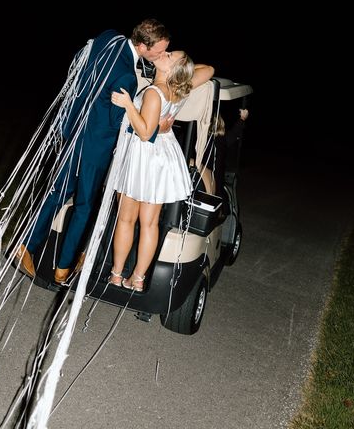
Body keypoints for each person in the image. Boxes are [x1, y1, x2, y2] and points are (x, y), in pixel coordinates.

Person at [14, 18, 171, 285]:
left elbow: (80, 58)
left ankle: (26, 245)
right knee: (85, 206)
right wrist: (155, 129)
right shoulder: (126, 76)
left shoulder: (109, 37)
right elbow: (116, 122)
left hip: (73, 132)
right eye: (159, 50)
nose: (161, 54)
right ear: (144, 46)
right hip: (95, 146)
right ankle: (62, 268)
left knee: (57, 193)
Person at [107, 51, 214, 291]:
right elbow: (208, 69)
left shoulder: (155, 93)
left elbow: (145, 133)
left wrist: (127, 106)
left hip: (143, 156)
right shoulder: (181, 87)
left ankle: (116, 275)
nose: (163, 53)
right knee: (149, 223)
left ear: (170, 69)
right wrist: (182, 67)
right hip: (161, 156)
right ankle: (137, 278)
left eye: (169, 55)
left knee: (126, 218)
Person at [200, 107, 249, 196]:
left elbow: (233, 135)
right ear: (220, 124)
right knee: (221, 199)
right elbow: (234, 133)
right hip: (214, 180)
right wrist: (242, 118)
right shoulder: (220, 140)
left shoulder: (203, 139)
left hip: (204, 176)